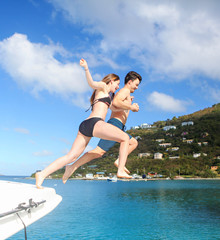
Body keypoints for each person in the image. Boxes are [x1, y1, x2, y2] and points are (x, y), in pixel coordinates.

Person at [36, 59, 137, 188]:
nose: (117, 88)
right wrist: (86, 68)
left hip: (86, 125)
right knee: (124, 138)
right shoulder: (103, 87)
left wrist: (129, 105)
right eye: (116, 85)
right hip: (95, 123)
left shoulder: (109, 97)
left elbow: (115, 108)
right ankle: (120, 169)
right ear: (111, 81)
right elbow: (91, 83)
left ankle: (43, 174)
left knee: (71, 157)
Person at [62, 71, 142, 183]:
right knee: (99, 152)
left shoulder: (126, 93)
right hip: (115, 124)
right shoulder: (125, 90)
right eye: (136, 84)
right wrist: (131, 107)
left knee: (133, 143)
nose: (137, 87)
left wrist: (128, 104)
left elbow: (114, 107)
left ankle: (119, 162)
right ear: (130, 82)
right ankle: (72, 167)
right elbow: (115, 103)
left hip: (120, 126)